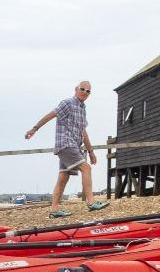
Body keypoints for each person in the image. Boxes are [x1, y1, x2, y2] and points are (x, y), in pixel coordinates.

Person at [25, 80, 108, 218]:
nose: (85, 92)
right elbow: (50, 115)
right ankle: (91, 202)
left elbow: (83, 132)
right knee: (86, 168)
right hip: (65, 143)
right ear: (76, 89)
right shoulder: (67, 103)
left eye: (88, 91)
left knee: (63, 177)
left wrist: (91, 151)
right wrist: (35, 129)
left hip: (73, 145)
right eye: (82, 89)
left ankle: (54, 210)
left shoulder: (83, 108)